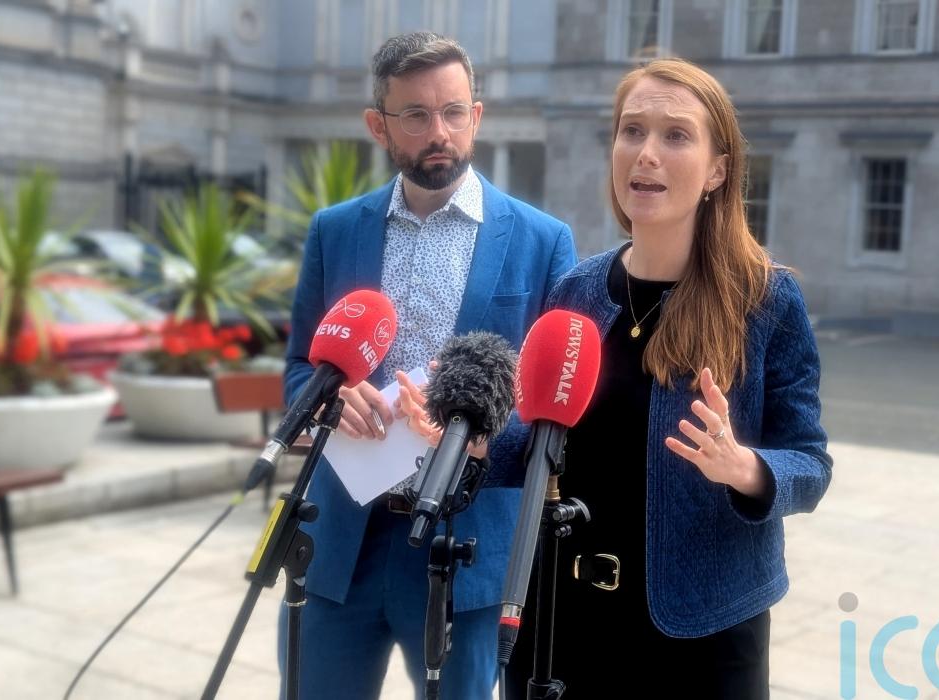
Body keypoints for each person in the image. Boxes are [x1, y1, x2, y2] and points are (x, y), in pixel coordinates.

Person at [396, 57, 833, 699]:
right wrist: (478, 442)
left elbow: (810, 465)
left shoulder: (766, 299)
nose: (646, 153)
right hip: (563, 621)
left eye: (675, 135)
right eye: (632, 130)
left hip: (703, 633)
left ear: (718, 170)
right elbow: (547, 442)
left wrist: (745, 467)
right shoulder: (577, 290)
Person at [280, 32, 577, 699]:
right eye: (415, 114)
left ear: (477, 116)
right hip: (341, 539)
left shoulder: (543, 241)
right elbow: (300, 366)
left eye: (452, 111)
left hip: (465, 543)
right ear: (378, 125)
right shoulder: (334, 230)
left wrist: (481, 434)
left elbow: (554, 406)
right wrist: (327, 399)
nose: (438, 131)